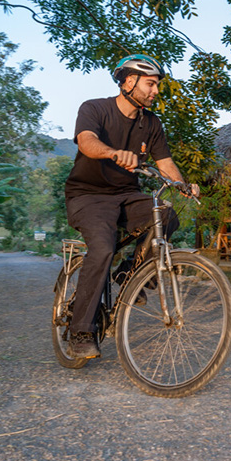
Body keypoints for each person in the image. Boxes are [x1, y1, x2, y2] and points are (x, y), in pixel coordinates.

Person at [64, 53, 198, 359]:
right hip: (88, 196)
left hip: (126, 195)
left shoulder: (151, 123)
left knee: (166, 214)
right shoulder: (94, 108)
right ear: (128, 81)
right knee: (102, 248)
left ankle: (129, 275)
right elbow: (86, 141)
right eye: (150, 84)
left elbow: (165, 163)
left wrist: (183, 184)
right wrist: (112, 153)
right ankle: (81, 331)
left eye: (157, 85)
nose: (155, 91)